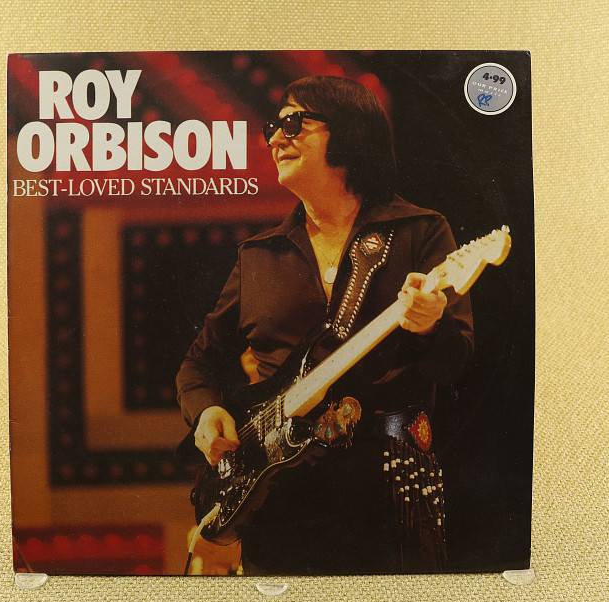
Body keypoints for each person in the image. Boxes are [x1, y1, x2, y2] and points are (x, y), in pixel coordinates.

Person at [176, 76, 473, 575]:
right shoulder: (258, 256)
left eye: (294, 123)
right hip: (277, 502)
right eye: (273, 128)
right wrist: (206, 412)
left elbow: (457, 360)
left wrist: (428, 325)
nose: (276, 138)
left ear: (350, 131)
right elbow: (198, 364)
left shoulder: (419, 232)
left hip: (387, 491)